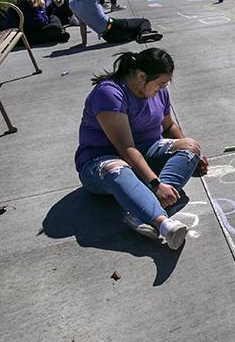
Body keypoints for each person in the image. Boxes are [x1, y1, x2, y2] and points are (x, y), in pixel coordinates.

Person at [75, 48, 209, 249]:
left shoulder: (159, 91)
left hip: (146, 152)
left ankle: (140, 208)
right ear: (141, 76)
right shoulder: (109, 94)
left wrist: (194, 156)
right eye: (160, 83)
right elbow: (127, 149)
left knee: (191, 147)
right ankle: (162, 223)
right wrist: (156, 184)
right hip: (101, 161)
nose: (162, 88)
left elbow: (169, 126)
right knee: (118, 169)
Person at [69, 0, 162, 46]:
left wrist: (84, 43)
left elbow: (82, 24)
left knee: (134, 30)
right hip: (114, 26)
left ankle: (140, 34)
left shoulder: (72, 4)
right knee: (144, 22)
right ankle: (144, 33)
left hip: (108, 37)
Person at [6, 0, 70, 45]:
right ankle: (58, 34)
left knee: (53, 17)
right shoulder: (27, 2)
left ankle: (57, 34)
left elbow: (42, 16)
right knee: (55, 28)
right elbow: (40, 23)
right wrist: (42, 8)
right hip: (24, 35)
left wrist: (53, 5)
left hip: (30, 28)